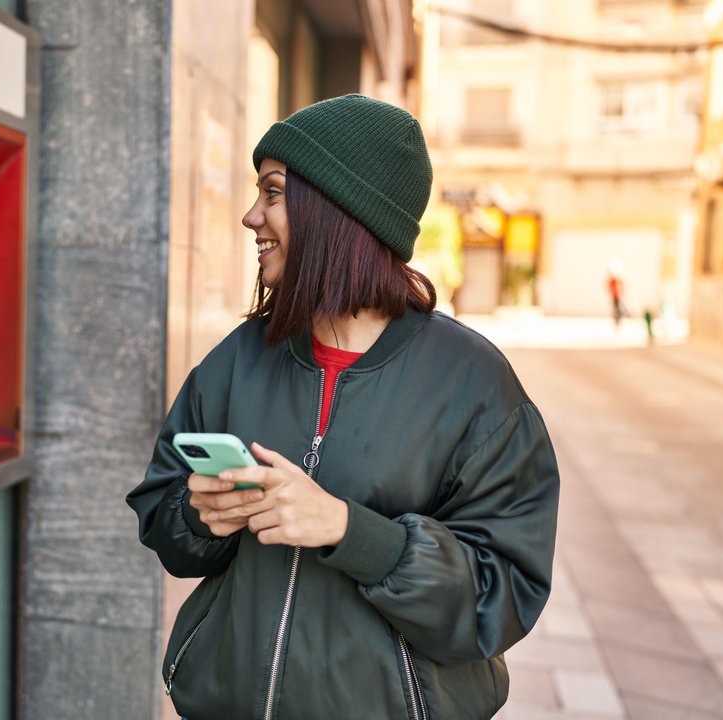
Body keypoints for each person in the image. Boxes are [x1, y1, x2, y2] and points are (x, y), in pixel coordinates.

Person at [127, 95, 559, 720]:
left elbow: (504, 593)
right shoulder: (239, 361)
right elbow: (162, 520)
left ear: (338, 212)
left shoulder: (475, 387)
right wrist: (199, 517)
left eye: (273, 192)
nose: (252, 216)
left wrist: (352, 532)